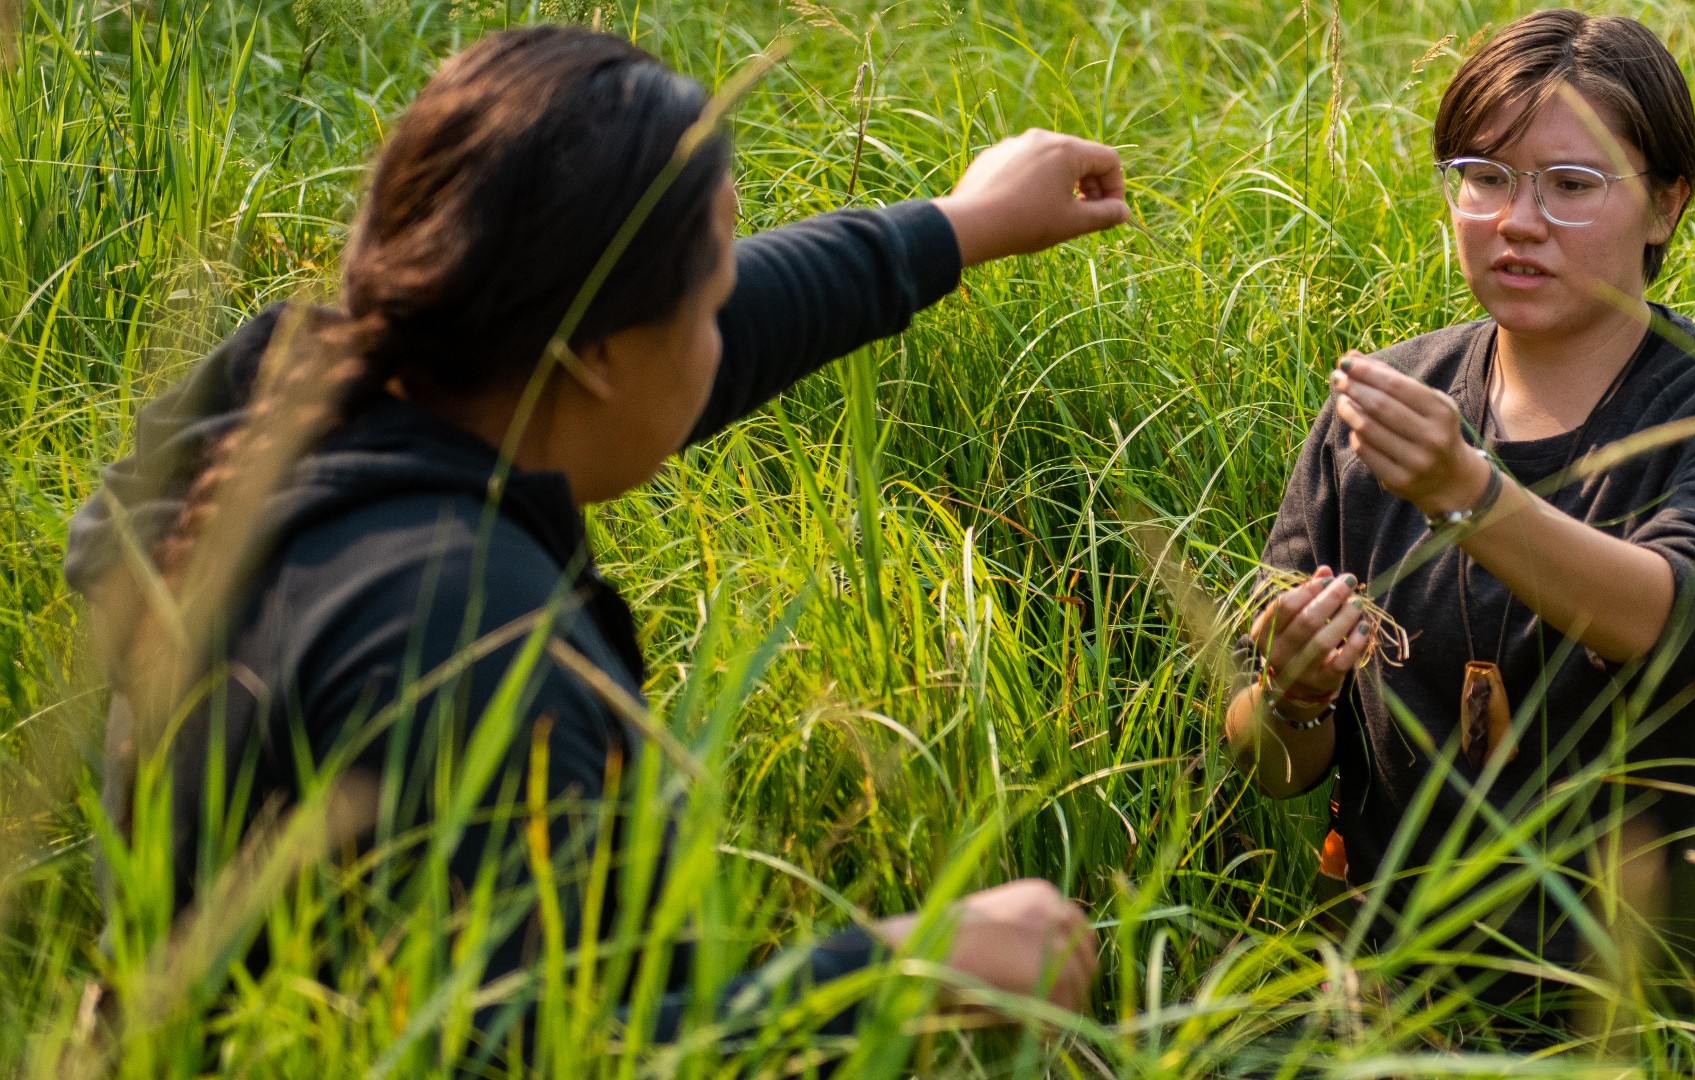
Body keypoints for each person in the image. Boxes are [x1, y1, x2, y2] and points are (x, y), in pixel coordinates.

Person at [64, 26, 1124, 1052]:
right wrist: (903, 967)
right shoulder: (470, 650)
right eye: (705, 302)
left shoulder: (283, 411)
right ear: (597, 353)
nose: (722, 334)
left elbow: (711, 325)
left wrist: (955, 223)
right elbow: (536, 1052)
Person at [1222, 9, 1695, 1035]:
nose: (1517, 218)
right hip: (1414, 999)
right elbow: (1271, 763)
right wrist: (1292, 697)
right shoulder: (1384, 408)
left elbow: (1674, 616)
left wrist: (1467, 491)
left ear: (1665, 204)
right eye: (1485, 175)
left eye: (1571, 184)